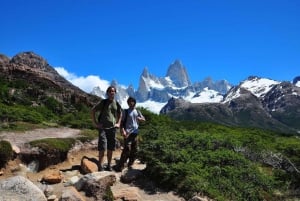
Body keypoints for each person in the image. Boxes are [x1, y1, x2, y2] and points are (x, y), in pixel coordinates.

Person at [91, 86, 122, 171]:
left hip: (112, 128)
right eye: (110, 91)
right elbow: (93, 110)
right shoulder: (103, 102)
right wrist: (95, 123)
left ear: (115, 93)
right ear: (107, 93)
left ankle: (108, 165)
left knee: (111, 148)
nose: (112, 93)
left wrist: (118, 123)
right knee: (102, 147)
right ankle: (100, 166)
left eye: (113, 91)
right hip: (103, 128)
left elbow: (120, 113)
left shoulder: (116, 103)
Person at [114, 96, 145, 172]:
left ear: (135, 103)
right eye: (130, 102)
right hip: (128, 133)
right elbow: (122, 122)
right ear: (128, 103)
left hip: (135, 133)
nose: (132, 103)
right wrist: (123, 131)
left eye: (133, 101)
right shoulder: (126, 111)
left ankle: (130, 164)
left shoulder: (137, 111)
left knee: (135, 149)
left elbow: (144, 119)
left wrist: (140, 119)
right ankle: (120, 166)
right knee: (127, 149)